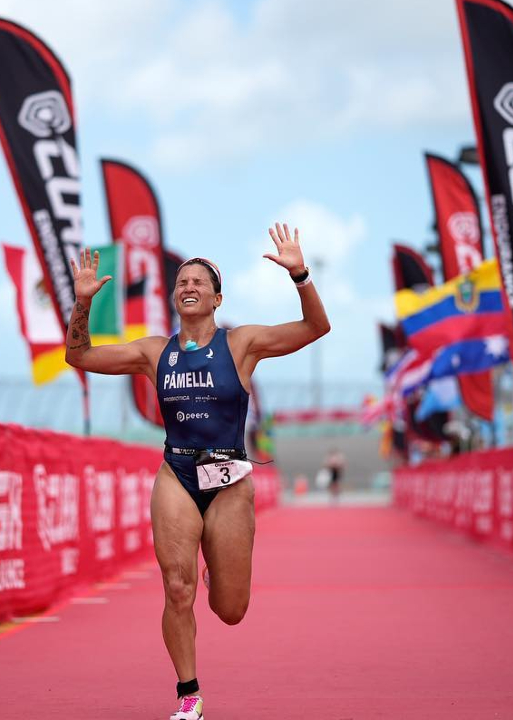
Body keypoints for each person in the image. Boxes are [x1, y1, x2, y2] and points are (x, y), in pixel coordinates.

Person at [65, 223, 330, 720]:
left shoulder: (242, 344)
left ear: (216, 297)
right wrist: (83, 304)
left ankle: (218, 569)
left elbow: (316, 328)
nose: (188, 286)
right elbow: (78, 355)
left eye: (198, 282)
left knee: (230, 610)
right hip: (177, 475)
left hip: (229, 481)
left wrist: (300, 276)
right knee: (176, 586)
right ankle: (189, 695)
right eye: (181, 282)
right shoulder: (153, 352)